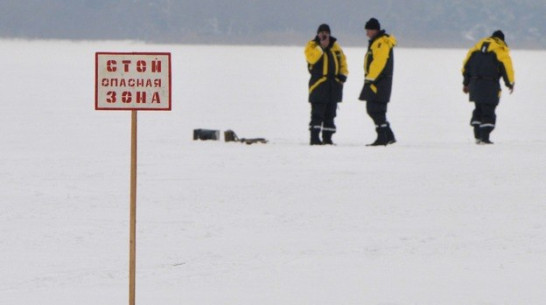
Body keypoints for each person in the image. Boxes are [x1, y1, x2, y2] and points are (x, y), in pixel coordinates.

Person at [462, 30, 515, 144]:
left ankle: (478, 136)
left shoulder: (475, 49)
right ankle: (484, 138)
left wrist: (466, 83)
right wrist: (510, 83)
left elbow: (466, 67)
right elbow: (506, 68)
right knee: (489, 110)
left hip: (475, 84)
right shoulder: (500, 50)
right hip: (490, 85)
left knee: (479, 109)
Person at [304, 24, 348, 145]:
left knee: (331, 113)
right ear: (317, 34)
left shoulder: (336, 47)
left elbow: (343, 62)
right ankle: (314, 138)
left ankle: (328, 138)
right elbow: (311, 59)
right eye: (321, 33)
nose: (323, 35)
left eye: (326, 33)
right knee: (317, 113)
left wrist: (343, 76)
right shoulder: (312, 46)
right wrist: (321, 47)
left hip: (333, 85)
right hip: (318, 84)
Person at [358, 18, 397, 146]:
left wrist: (370, 78)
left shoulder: (381, 43)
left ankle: (382, 137)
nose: (367, 34)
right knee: (376, 109)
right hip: (377, 81)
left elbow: (379, 62)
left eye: (368, 30)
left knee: (375, 109)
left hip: (379, 82)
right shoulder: (377, 42)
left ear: (374, 30)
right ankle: (389, 136)